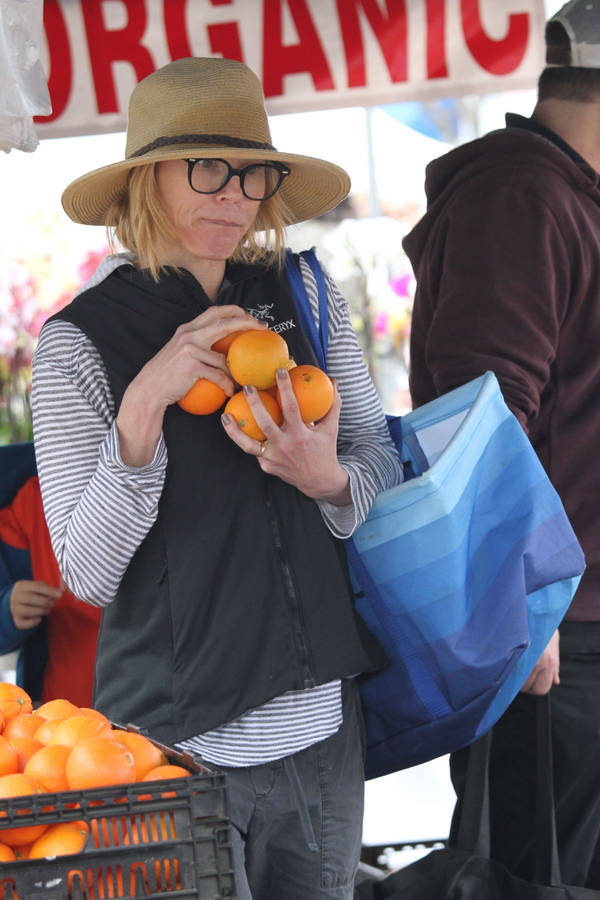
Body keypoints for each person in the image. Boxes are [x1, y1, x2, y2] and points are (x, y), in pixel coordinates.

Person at [30, 56, 402, 899]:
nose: (232, 194)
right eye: (205, 167)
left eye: (251, 172)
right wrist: (144, 410)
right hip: (166, 747)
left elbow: (380, 461)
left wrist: (327, 481)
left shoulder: (304, 294)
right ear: (144, 179)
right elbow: (86, 573)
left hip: (319, 736)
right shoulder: (77, 344)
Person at [402, 0, 600, 888]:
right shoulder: (524, 196)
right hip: (555, 629)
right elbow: (478, 405)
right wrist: (517, 593)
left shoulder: (559, 196)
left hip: (569, 618)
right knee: (536, 871)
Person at [0, 443, 101, 706]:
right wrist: (9, 610)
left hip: (154, 719)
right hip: (55, 718)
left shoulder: (170, 489)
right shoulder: (25, 500)